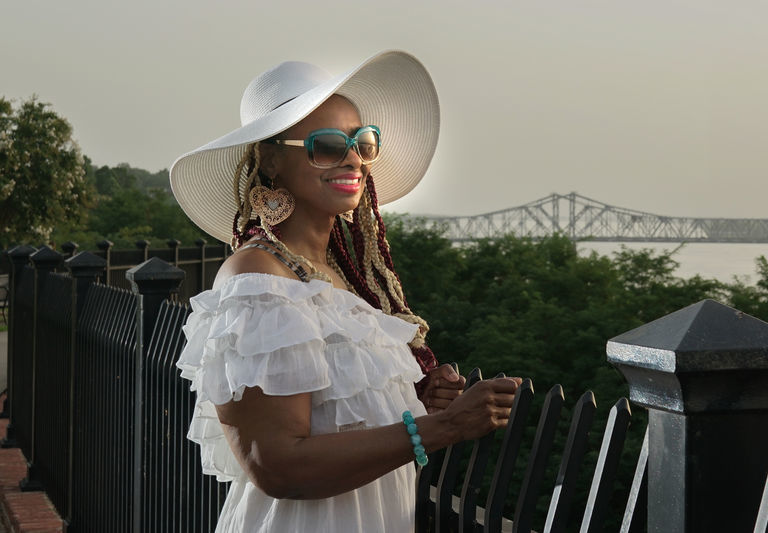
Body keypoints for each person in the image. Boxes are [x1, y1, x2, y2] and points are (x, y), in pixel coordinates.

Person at [170, 50, 521, 532]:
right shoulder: (259, 279)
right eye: (327, 145)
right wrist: (447, 427)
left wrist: (421, 399)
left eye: (362, 141)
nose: (352, 157)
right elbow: (275, 464)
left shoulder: (339, 278)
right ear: (271, 160)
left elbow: (343, 423)